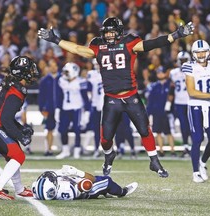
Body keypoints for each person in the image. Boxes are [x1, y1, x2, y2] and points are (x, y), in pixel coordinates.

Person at [38, 16, 194, 177]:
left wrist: (177, 34)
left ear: (119, 32)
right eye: (107, 32)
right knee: (105, 139)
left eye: (112, 32)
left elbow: (152, 43)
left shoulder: (129, 42)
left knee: (145, 130)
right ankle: (109, 155)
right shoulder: (98, 46)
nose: (109, 35)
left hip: (131, 95)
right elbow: (78, 49)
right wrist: (55, 39)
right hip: (111, 98)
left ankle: (154, 161)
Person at [0, 56, 40, 200]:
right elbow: (5, 119)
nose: (33, 72)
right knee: (19, 155)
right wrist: (20, 134)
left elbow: (6, 115)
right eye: (30, 69)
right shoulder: (16, 90)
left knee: (14, 153)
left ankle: (19, 189)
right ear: (22, 72)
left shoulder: (12, 84)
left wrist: (20, 128)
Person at [183, 39, 210, 183]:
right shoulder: (189, 67)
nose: (201, 54)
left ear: (208, 52)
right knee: (197, 139)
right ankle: (195, 172)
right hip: (195, 106)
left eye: (203, 51)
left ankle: (202, 162)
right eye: (198, 52)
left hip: (209, 106)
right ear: (193, 53)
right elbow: (191, 91)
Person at [32, 165, 138, 200]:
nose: (51, 178)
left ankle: (105, 192)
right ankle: (122, 192)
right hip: (86, 191)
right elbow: (89, 182)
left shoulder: (39, 190)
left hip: (74, 184)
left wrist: (60, 172)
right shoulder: (68, 190)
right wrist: (77, 172)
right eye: (51, 180)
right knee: (106, 181)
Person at [55, 62, 90, 159]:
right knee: (63, 129)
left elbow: (85, 98)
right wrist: (58, 109)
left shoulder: (81, 82)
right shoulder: (61, 80)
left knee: (77, 130)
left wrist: (87, 111)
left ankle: (77, 150)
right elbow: (60, 96)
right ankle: (65, 150)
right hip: (65, 108)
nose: (65, 74)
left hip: (77, 108)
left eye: (67, 72)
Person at [168, 51, 192, 157]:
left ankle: (193, 146)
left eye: (184, 60)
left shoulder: (193, 71)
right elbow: (171, 89)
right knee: (183, 126)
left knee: (192, 125)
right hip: (179, 103)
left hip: (191, 101)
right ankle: (186, 146)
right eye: (181, 61)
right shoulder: (173, 73)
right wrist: (169, 102)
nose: (183, 63)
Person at [38, 59, 60, 156]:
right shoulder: (45, 80)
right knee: (49, 128)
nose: (53, 67)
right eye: (51, 65)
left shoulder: (62, 78)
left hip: (61, 107)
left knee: (62, 129)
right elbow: (41, 96)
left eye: (55, 65)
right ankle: (49, 149)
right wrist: (41, 108)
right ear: (49, 67)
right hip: (49, 108)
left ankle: (64, 149)